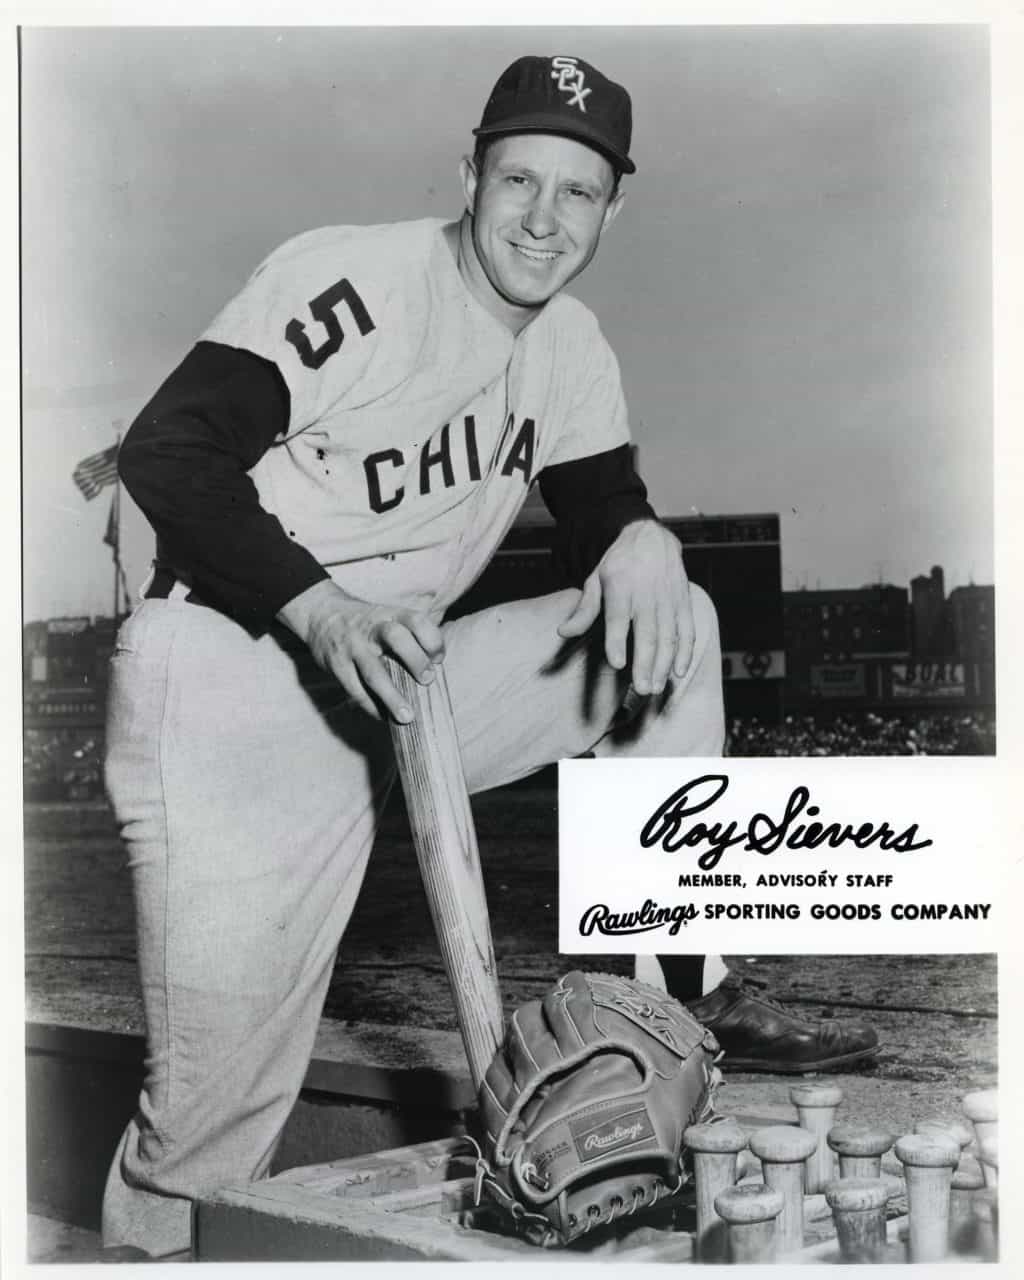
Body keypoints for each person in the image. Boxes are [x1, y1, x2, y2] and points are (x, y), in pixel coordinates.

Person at [101, 54, 873, 1259]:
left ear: (614, 206)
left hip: (408, 677)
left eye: (577, 191)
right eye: (518, 178)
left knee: (674, 626)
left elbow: (602, 498)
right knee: (210, 1127)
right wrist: (324, 608)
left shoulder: (568, 348)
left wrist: (641, 541)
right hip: (236, 678)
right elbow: (168, 452)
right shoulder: (350, 279)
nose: (544, 217)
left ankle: (679, 981)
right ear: (467, 173)